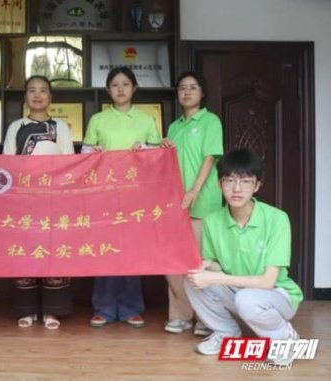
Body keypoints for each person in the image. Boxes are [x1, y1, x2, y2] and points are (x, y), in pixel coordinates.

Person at [184, 149, 303, 363]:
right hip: (238, 290)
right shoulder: (212, 221)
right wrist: (207, 266)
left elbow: (268, 282)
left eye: (246, 181)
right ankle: (226, 332)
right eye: (229, 181)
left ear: (257, 185)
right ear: (220, 184)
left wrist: (215, 278)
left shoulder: (277, 219)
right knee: (192, 279)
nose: (237, 189)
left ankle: (284, 338)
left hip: (278, 294)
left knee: (246, 298)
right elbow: (216, 266)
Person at [82, 67, 161, 328]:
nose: (120, 89)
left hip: (135, 197)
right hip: (104, 195)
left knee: (131, 251)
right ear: (108, 90)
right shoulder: (98, 120)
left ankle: (131, 308)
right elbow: (84, 152)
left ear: (134, 88)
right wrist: (92, 151)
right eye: (115, 85)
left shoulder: (147, 119)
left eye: (125, 84)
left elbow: (157, 156)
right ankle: (102, 308)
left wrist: (145, 149)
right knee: (104, 251)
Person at [3, 75, 75, 329]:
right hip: (24, 202)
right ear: (25, 96)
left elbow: (70, 165)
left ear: (50, 97)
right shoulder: (16, 127)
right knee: (25, 254)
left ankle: (53, 311)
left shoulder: (61, 128)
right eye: (31, 90)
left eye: (43, 90)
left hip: (54, 202)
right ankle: (28, 309)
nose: (37, 95)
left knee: (53, 254)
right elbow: (7, 165)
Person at [160, 71, 223, 336]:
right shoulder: (174, 127)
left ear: (202, 92)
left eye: (193, 87)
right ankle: (180, 315)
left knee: (202, 262)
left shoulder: (210, 121)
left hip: (203, 203)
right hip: (175, 205)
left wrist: (194, 191)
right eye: (182, 88)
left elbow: (210, 158)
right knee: (174, 263)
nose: (187, 92)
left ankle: (206, 319)